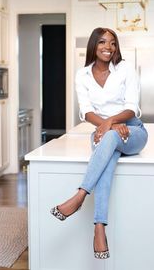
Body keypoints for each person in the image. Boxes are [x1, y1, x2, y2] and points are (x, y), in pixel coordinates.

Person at [50, 27, 148, 259]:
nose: (108, 47)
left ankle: (80, 196)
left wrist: (110, 123)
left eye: (113, 43)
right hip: (105, 133)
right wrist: (108, 126)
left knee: (112, 137)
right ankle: (99, 227)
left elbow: (132, 107)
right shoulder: (82, 75)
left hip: (132, 130)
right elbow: (86, 112)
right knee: (108, 159)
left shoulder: (125, 68)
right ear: (93, 45)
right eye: (103, 42)